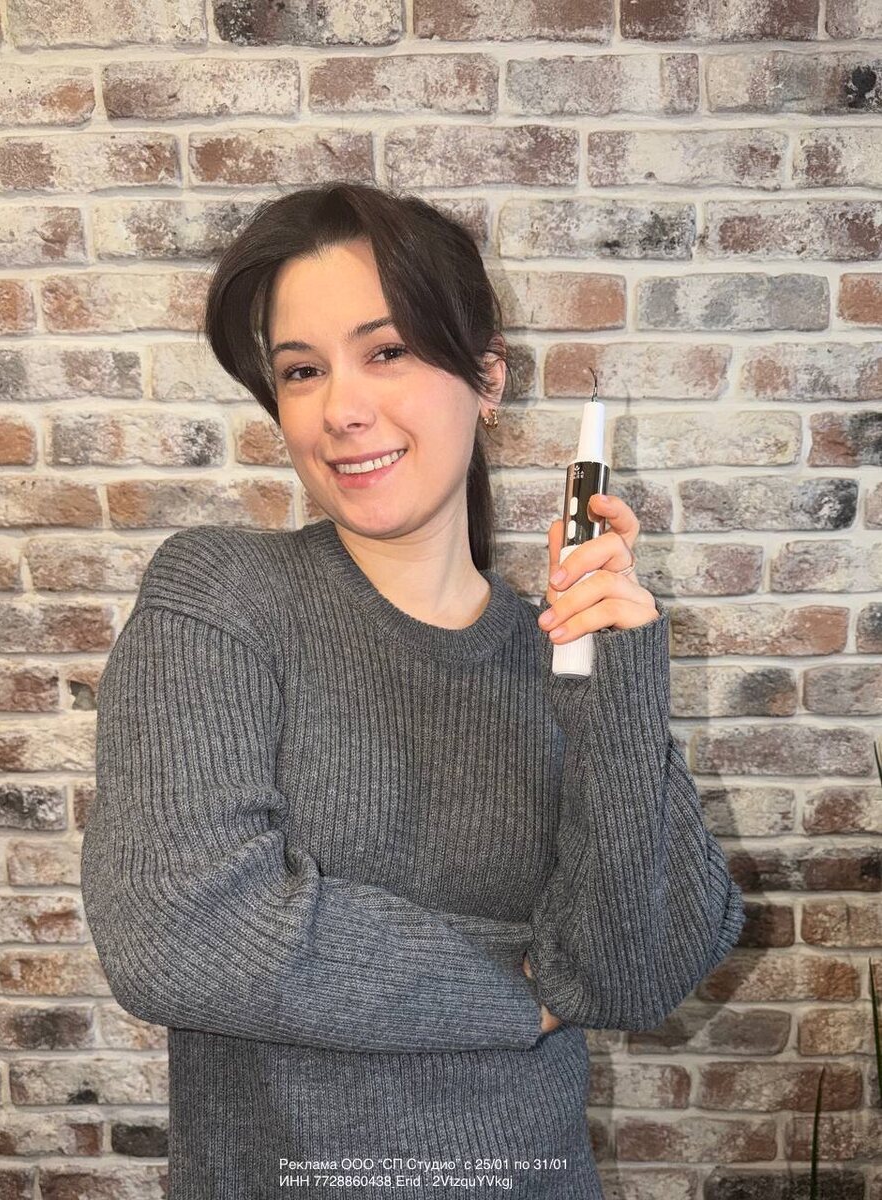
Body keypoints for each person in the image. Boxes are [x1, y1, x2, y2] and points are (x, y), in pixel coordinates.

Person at [80, 181, 745, 1199]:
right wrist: (518, 994)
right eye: (302, 371)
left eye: (385, 351)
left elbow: (631, 978)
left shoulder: (560, 657)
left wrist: (615, 685)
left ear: (488, 375)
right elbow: (176, 931)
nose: (342, 409)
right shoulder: (222, 596)